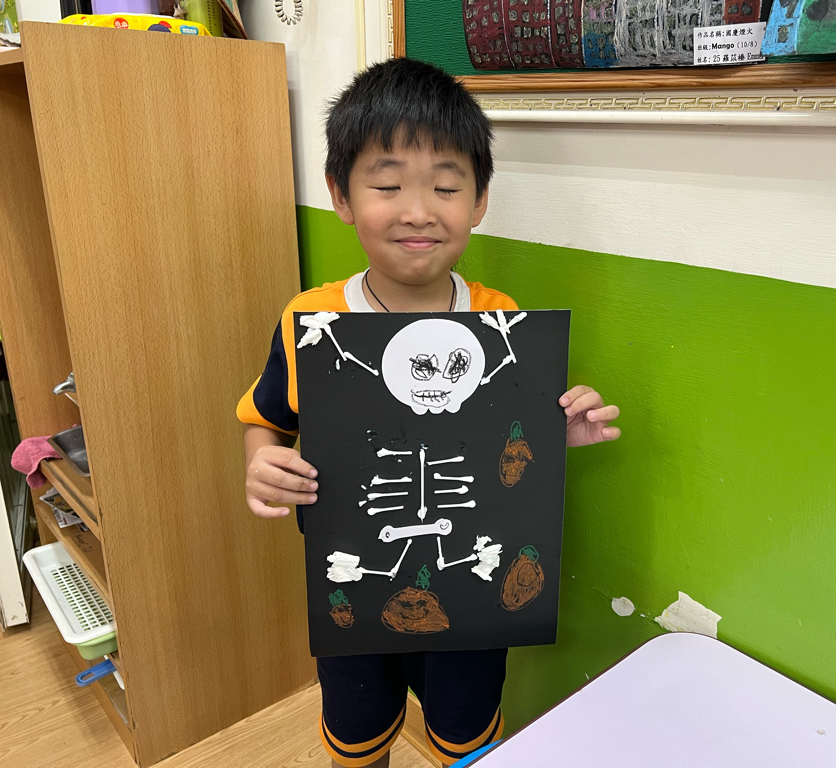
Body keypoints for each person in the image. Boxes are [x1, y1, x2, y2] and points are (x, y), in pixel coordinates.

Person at [237, 57, 620, 768]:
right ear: (341, 196)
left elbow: (509, 445)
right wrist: (262, 463)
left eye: (446, 186)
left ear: (478, 201)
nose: (418, 210)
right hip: (355, 582)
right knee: (357, 732)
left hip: (472, 587)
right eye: (386, 186)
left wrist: (555, 432)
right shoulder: (311, 323)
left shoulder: (502, 322)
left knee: (465, 733)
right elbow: (265, 418)